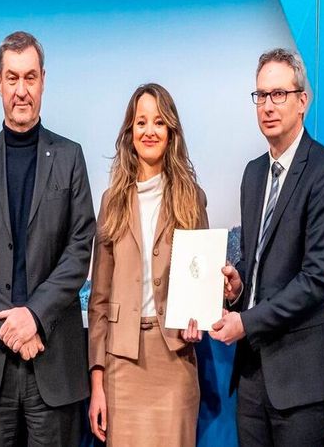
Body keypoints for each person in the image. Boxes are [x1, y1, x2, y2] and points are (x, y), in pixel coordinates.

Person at [0, 31, 95, 446]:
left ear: (43, 80)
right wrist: (11, 325)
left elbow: (79, 247)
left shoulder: (70, 157)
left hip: (52, 358)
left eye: (29, 78)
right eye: (12, 78)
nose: (21, 90)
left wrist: (33, 315)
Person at [211, 48, 324, 446]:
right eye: (260, 95)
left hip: (301, 381)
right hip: (252, 376)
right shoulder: (253, 174)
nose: (268, 106)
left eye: (279, 94)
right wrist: (237, 291)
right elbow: (258, 265)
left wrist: (246, 323)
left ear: (302, 101)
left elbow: (315, 279)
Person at [87, 83, 207, 446]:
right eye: (141, 122)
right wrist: (98, 382)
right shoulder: (112, 201)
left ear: (171, 132)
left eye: (158, 122)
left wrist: (197, 319)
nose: (149, 131)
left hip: (175, 361)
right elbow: (99, 300)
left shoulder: (191, 198)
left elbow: (201, 281)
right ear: (130, 133)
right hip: (121, 365)